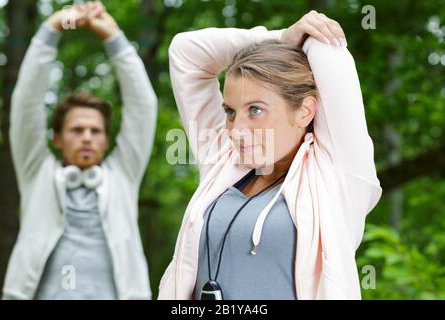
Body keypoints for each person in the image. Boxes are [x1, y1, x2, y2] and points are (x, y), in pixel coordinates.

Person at [158, 10, 382, 300]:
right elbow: (185, 51)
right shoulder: (224, 163)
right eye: (230, 112)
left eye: (256, 110)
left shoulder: (335, 175)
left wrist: (294, 43)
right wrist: (278, 37)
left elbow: (328, 48)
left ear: (304, 111)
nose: (237, 130)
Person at [3, 2, 157, 299]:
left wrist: (114, 38)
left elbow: (142, 106)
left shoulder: (122, 175)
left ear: (106, 139)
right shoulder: (37, 172)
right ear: (57, 139)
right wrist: (52, 28)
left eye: (95, 131)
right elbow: (26, 103)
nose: (87, 138)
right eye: (76, 130)